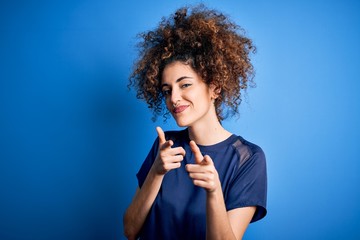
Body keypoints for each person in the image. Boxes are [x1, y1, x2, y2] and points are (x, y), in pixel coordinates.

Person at [123, 4, 267, 240]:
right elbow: (129, 230)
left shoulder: (248, 159)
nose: (174, 98)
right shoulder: (165, 146)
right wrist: (156, 173)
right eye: (167, 90)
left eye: (185, 84)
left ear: (215, 87)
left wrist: (214, 192)